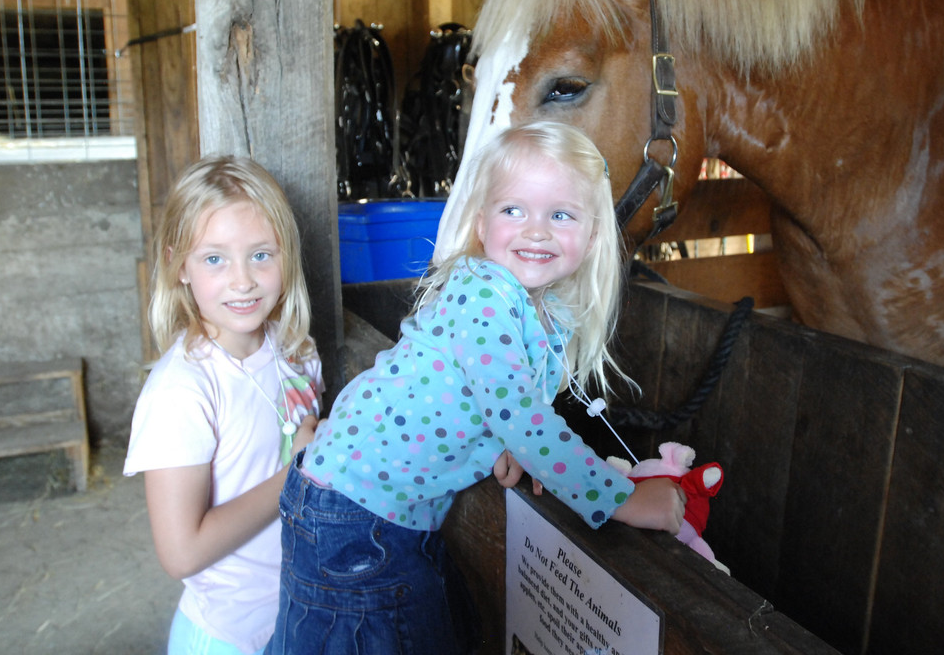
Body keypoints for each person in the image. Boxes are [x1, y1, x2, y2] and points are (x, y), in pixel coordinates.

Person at [267, 122, 686, 655]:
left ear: (595, 234)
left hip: (370, 511)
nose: (536, 230)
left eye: (561, 214)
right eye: (514, 210)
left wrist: (514, 447)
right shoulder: (482, 293)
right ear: (483, 224)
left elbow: (509, 408)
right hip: (356, 519)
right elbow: (524, 417)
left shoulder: (542, 308)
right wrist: (621, 499)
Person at [124, 155, 325, 655]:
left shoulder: (295, 350)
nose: (243, 280)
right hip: (226, 638)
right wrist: (298, 472)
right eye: (215, 258)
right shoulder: (182, 392)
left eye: (262, 254)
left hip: (302, 615)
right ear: (180, 267)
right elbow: (181, 552)